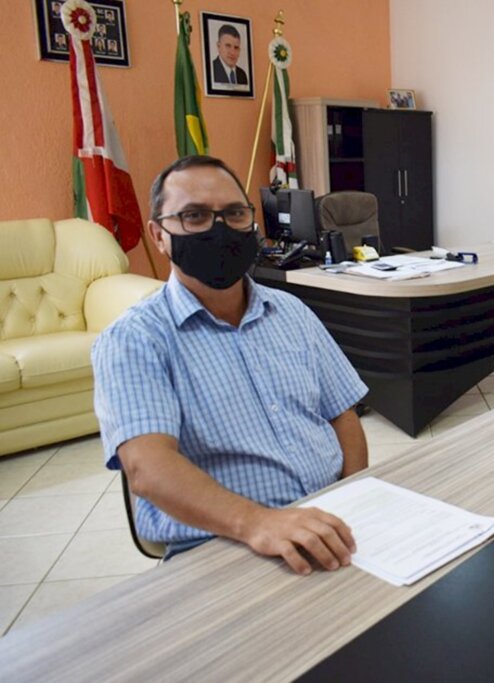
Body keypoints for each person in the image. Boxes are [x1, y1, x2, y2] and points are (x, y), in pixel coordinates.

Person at [92, 156, 369, 574]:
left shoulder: (292, 312)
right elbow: (147, 469)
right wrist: (260, 523)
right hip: (224, 545)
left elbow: (343, 416)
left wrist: (352, 500)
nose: (218, 229)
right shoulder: (133, 340)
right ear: (158, 236)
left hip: (331, 524)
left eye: (234, 214)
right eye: (194, 216)